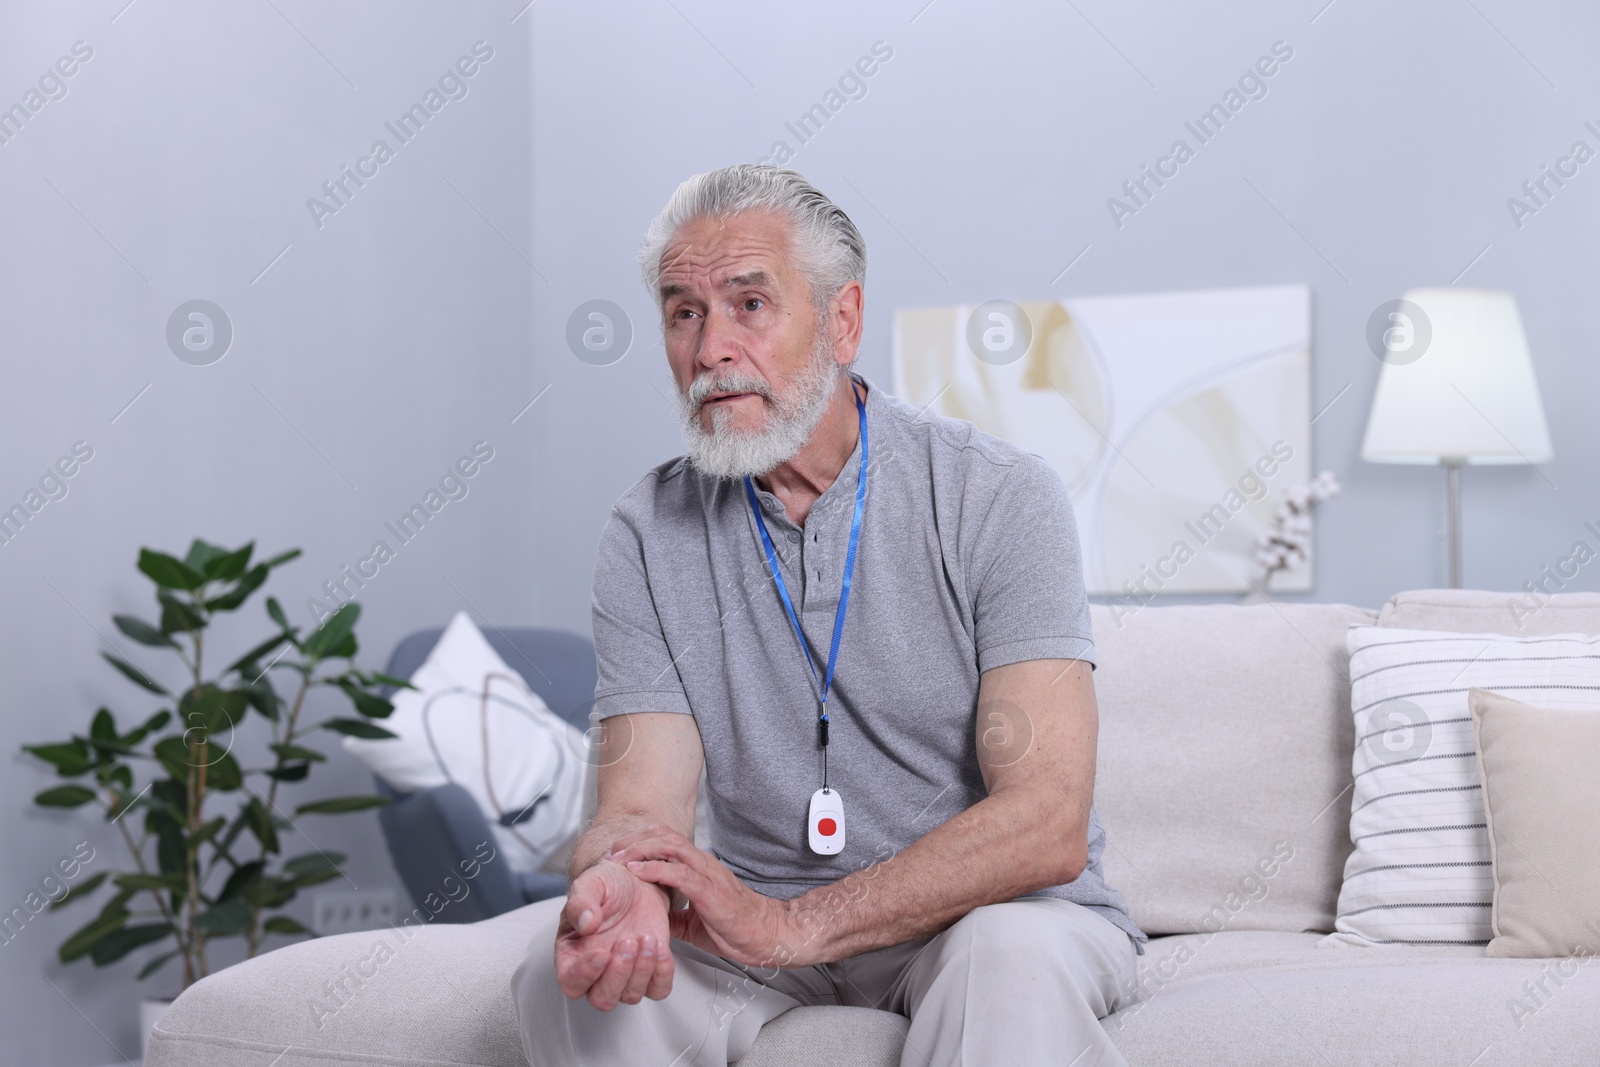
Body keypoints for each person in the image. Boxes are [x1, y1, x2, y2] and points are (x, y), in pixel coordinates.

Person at [513, 164, 1145, 1067]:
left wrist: (789, 924)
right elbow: (638, 807)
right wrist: (622, 881)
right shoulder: (648, 529)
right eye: (683, 312)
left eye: (749, 305)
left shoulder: (1000, 497)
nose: (712, 349)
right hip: (751, 929)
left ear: (842, 320)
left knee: (1007, 958)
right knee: (567, 979)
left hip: (985, 917)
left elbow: (1045, 820)